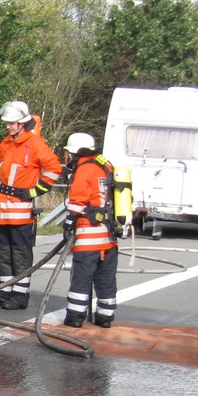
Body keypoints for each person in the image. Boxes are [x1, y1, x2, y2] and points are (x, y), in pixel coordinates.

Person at [0, 101, 62, 310]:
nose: (8, 126)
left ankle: (20, 294)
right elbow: (1, 173)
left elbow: (54, 169)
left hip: (20, 211)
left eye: (12, 123)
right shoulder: (5, 144)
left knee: (19, 252)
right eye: (7, 123)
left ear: (22, 123)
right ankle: (5, 290)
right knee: (2, 251)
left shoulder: (35, 145)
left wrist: (34, 192)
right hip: (1, 210)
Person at [61, 132, 119, 328]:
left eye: (69, 154)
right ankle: (105, 317)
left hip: (89, 233)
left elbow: (77, 200)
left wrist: (69, 222)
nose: (67, 158)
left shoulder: (85, 168)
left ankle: (75, 317)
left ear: (77, 152)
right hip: (108, 236)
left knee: (82, 277)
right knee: (106, 278)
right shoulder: (105, 165)